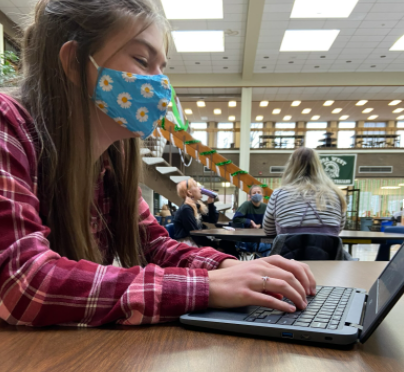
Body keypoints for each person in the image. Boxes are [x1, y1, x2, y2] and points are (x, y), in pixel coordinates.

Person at [0, 0, 316, 327]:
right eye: (142, 60)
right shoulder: (7, 125)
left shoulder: (112, 160)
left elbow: (155, 245)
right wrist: (206, 287)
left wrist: (229, 269)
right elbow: (22, 281)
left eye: (162, 68)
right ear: (74, 61)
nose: (161, 85)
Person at [263, 147, 347, 236]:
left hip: (289, 248)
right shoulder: (337, 195)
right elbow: (337, 230)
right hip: (327, 249)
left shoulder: (278, 194)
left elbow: (269, 230)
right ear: (318, 166)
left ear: (291, 167)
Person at [173, 178, 238, 256]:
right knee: (227, 247)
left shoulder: (196, 207)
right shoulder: (186, 209)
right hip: (189, 243)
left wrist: (210, 203)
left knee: (228, 243)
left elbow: (213, 220)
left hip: (196, 240)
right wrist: (215, 246)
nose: (200, 188)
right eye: (196, 186)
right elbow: (194, 234)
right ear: (190, 192)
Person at [232, 185, 272, 257]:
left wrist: (260, 225)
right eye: (254, 193)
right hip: (248, 239)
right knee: (263, 247)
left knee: (269, 247)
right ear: (250, 196)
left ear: (262, 195)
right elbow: (236, 219)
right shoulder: (246, 205)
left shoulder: (266, 207)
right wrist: (249, 222)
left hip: (262, 237)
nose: (256, 194)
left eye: (259, 192)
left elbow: (270, 221)